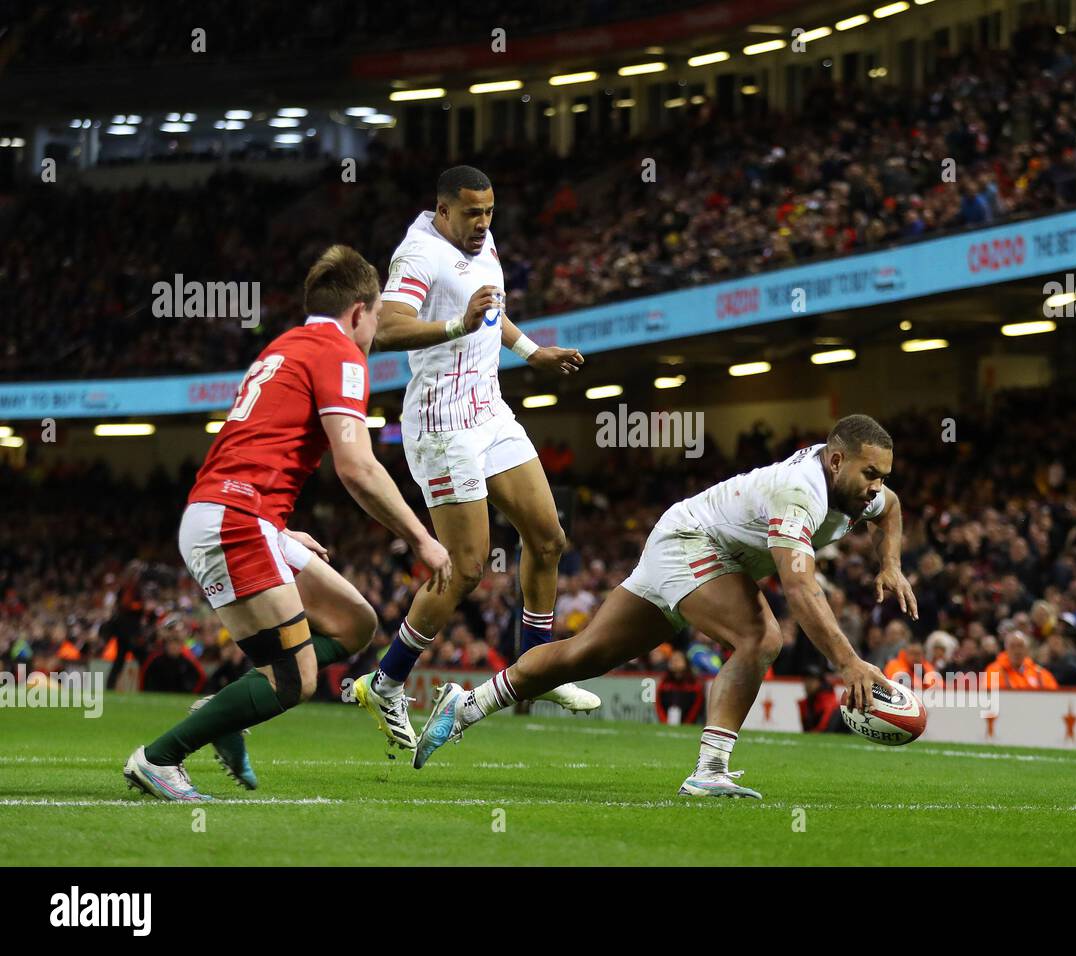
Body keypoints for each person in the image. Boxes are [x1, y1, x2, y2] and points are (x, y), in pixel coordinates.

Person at [412, 414, 918, 799]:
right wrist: (848, 661)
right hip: (692, 541)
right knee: (760, 638)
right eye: (870, 473)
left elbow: (891, 509)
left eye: (882, 475)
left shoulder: (862, 492)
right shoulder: (798, 493)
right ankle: (710, 771)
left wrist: (889, 563)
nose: (877, 485)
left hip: (691, 542)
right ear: (835, 461)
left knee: (582, 657)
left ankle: (467, 704)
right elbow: (801, 586)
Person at [122, 245, 452, 802]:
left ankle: (227, 712)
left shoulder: (286, 345)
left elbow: (260, 444)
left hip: (241, 513)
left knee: (354, 623)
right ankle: (160, 758)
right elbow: (357, 467)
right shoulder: (340, 353)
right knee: (295, 680)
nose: (376, 334)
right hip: (234, 518)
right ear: (358, 311)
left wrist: (277, 522)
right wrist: (421, 537)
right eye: (376, 319)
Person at [354, 165, 598, 752]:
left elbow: (490, 311)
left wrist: (531, 351)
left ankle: (534, 666)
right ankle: (385, 682)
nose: (483, 223)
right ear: (443, 211)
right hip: (441, 421)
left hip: (489, 409)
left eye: (490, 211)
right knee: (465, 569)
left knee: (547, 537)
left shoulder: (481, 243)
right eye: (471, 213)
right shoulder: (418, 254)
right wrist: (454, 324)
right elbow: (384, 330)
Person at [984, 630, 1059, 690]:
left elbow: (1053, 695)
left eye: (1020, 646)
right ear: (1006, 649)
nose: (1017, 651)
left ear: (1026, 649)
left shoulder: (1039, 673)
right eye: (1012, 646)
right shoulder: (993, 671)